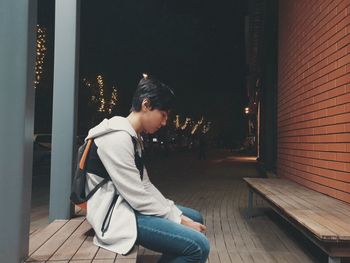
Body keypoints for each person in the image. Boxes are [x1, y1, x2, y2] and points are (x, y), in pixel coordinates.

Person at [84, 77, 210, 263]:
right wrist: (179, 220)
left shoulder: (132, 137)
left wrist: (172, 211)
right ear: (146, 105)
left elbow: (145, 185)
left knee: (195, 217)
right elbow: (137, 196)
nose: (165, 122)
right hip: (114, 215)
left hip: (127, 206)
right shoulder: (116, 138)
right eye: (163, 114)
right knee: (198, 246)